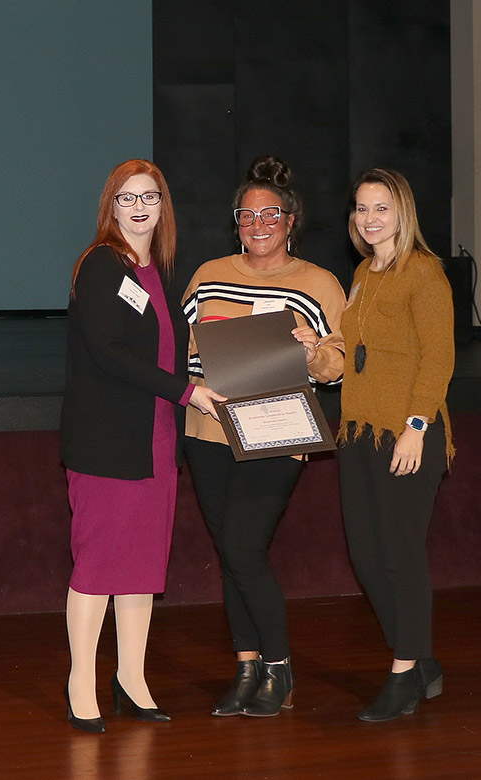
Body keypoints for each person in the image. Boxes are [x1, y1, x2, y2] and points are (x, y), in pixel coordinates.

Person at [60, 159, 224, 733]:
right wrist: (187, 392)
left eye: (148, 197)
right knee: (99, 566)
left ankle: (132, 677)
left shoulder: (159, 270)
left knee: (141, 569)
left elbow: (168, 349)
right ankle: (81, 681)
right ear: (111, 206)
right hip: (108, 444)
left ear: (162, 206)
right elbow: (108, 352)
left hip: (154, 441)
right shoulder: (101, 266)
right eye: (126, 198)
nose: (138, 208)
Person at [180, 155, 346, 717]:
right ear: (236, 221)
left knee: (245, 548)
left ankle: (278, 668)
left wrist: (312, 350)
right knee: (230, 553)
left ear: (290, 218)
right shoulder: (207, 275)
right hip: (208, 431)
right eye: (247, 215)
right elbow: (180, 349)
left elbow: (337, 366)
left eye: (270, 213)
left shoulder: (317, 283)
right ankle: (246, 665)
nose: (258, 224)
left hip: (277, 431)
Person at [338, 168, 453, 722]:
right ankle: (422, 659)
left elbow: (438, 357)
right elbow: (359, 350)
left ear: (402, 212)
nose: (369, 218)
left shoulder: (424, 273)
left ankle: (405, 671)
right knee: (366, 555)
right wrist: (320, 344)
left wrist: (417, 425)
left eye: (380, 208)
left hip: (408, 435)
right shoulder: (364, 270)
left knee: (399, 555)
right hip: (358, 433)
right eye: (361, 208)